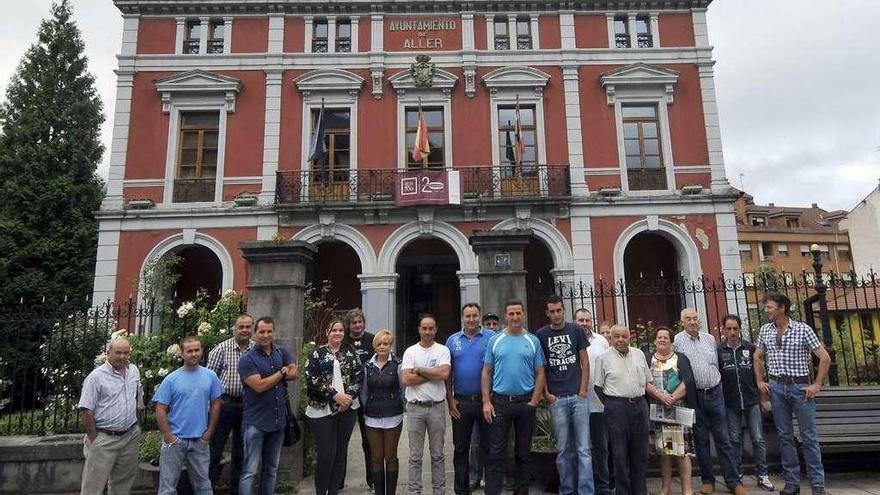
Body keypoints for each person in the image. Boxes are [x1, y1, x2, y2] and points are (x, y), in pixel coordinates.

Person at [753, 292, 831, 495]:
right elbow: (757, 356)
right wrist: (760, 380)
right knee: (785, 436)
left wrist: (816, 384)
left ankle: (817, 485)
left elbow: (824, 357)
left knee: (809, 437)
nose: (766, 310)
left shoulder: (802, 329)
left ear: (782, 308)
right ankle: (792, 482)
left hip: (800, 388)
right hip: (777, 388)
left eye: (769, 307)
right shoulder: (765, 330)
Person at [673, 308, 747, 495]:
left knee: (724, 439)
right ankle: (708, 480)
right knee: (702, 440)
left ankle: (733, 481)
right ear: (682, 322)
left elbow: (717, 364)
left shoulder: (709, 339)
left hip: (715, 393)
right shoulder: (678, 341)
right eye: (688, 319)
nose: (692, 322)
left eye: (695, 318)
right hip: (694, 397)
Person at [482, 300, 546, 495]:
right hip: (500, 403)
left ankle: (521, 491)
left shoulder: (533, 341)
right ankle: (493, 491)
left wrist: (535, 400)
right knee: (496, 453)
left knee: (523, 453)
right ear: (506, 316)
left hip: (525, 403)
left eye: (518, 313)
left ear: (523, 314)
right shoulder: (495, 340)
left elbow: (540, 372)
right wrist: (486, 401)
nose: (515, 317)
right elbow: (486, 372)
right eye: (511, 314)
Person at [153, 335, 223, 495]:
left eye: (196, 350)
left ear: (201, 351)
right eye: (189, 351)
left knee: (204, 486)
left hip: (200, 440)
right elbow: (160, 408)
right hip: (175, 441)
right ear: (182, 354)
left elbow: (216, 403)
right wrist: (168, 435)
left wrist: (209, 432)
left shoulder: (210, 377)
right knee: (167, 488)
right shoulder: (171, 379)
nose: (193, 354)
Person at [537, 295, 593, 495]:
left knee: (584, 449)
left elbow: (584, 362)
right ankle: (567, 490)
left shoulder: (576, 330)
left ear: (564, 310)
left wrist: (583, 390)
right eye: (551, 311)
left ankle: (586, 491)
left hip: (577, 396)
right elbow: (541, 367)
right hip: (557, 399)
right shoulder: (541, 335)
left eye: (558, 310)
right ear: (547, 313)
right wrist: (546, 394)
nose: (555, 314)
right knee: (563, 450)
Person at [238, 316, 298, 495]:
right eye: (262, 332)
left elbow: (294, 372)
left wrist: (286, 371)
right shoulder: (247, 360)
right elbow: (259, 386)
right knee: (249, 471)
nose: (266, 335)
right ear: (255, 334)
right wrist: (281, 373)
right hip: (255, 423)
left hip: (278, 422)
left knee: (271, 469)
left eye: (269, 331)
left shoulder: (282, 352)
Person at [78, 336, 144, 495]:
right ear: (108, 353)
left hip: (129, 437)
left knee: (122, 484)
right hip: (104, 438)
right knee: (93, 487)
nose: (122, 356)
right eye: (118, 352)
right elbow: (86, 410)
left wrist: (136, 427)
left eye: (126, 353)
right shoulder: (96, 377)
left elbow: (137, 399)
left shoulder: (133, 371)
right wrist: (94, 438)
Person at [305, 318, 364, 495]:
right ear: (327, 333)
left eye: (340, 330)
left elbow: (359, 376)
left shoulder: (351, 352)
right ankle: (321, 491)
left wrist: (348, 398)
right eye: (334, 330)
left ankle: (333, 491)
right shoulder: (317, 354)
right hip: (322, 410)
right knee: (325, 455)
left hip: (347, 409)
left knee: (340, 454)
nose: (337, 333)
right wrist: (335, 395)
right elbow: (312, 378)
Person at [592, 325, 652, 495]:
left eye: (623, 336)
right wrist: (613, 404)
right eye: (616, 336)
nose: (620, 340)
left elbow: (648, 380)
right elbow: (598, 387)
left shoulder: (639, 354)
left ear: (629, 338)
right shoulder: (603, 358)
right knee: (619, 455)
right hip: (616, 408)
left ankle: (640, 491)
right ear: (610, 339)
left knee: (640, 455)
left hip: (640, 407)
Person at [718, 314, 774, 492]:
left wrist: (763, 399)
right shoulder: (719, 351)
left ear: (740, 329)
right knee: (734, 440)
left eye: (735, 328)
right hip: (730, 402)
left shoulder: (750, 348)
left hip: (751, 401)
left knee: (758, 439)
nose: (732, 332)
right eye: (729, 329)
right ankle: (737, 476)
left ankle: (763, 475)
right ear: (723, 330)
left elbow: (760, 375)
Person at [446, 303, 496, 495]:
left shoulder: (491, 338)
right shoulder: (452, 340)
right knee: (461, 449)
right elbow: (448, 373)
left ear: (479, 316)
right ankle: (461, 489)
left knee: (488, 447)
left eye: (475, 315)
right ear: (462, 318)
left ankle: (491, 488)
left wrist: (490, 398)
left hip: (485, 401)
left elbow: (495, 368)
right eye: (468, 316)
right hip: (461, 402)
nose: (472, 319)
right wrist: (450, 399)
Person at [401, 314, 452, 495]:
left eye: (431, 328)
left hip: (436, 407)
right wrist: (433, 373)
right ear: (419, 330)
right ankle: (415, 491)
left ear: (436, 329)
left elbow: (445, 374)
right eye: (425, 328)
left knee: (437, 454)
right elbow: (406, 379)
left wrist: (420, 370)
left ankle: (440, 491)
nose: (428, 332)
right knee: (415, 456)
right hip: (415, 409)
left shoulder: (443, 350)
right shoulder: (410, 352)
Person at [646, 327, 698, 495]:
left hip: (676, 408)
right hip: (658, 409)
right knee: (664, 451)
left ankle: (687, 489)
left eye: (666, 337)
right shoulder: (648, 358)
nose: (662, 340)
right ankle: (665, 488)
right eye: (659, 337)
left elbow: (687, 381)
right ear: (654, 341)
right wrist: (660, 397)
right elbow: (644, 381)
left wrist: (672, 397)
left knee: (681, 451)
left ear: (671, 341)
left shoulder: (680, 358)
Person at [207, 314, 254, 494]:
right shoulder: (221, 349)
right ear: (234, 328)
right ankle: (208, 488)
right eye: (241, 327)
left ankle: (234, 491)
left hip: (248, 406)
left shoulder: (256, 350)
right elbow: (210, 379)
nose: (244, 330)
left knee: (241, 452)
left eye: (248, 327)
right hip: (225, 405)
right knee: (215, 450)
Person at [360, 330, 405, 495]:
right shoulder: (367, 366)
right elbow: (363, 392)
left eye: (385, 344)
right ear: (375, 346)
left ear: (390, 345)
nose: (382, 347)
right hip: (372, 417)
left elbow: (403, 390)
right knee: (376, 457)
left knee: (391, 457)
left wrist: (401, 408)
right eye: (379, 344)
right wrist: (369, 407)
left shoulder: (398, 365)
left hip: (393, 416)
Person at [576, 308, 613, 495]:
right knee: (581, 447)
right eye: (580, 320)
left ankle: (602, 486)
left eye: (587, 320)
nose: (584, 323)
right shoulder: (571, 339)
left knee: (601, 447)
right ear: (575, 321)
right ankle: (582, 485)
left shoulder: (602, 341)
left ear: (592, 321)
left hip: (599, 403)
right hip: (577, 402)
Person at [342, 308, 376, 493]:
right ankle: (338, 482)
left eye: (360, 321)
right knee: (342, 441)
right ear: (349, 324)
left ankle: (372, 481)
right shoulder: (343, 340)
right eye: (354, 322)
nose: (357, 325)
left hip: (366, 397)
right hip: (345, 396)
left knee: (368, 441)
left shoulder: (372, 340)